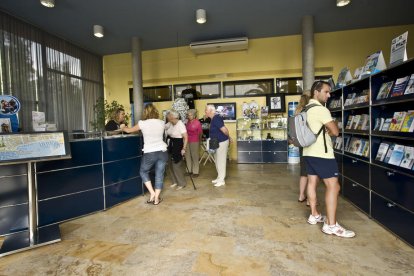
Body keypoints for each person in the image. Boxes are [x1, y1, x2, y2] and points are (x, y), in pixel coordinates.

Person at [303, 80, 355, 238]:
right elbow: (335, 131)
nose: (329, 95)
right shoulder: (321, 110)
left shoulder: (306, 109)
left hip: (308, 152)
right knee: (334, 187)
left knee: (312, 182)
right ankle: (331, 225)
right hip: (322, 154)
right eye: (326, 92)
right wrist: (330, 129)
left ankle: (314, 215)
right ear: (316, 92)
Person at [121, 104, 167, 205]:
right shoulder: (162, 122)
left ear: (145, 112)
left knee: (143, 172)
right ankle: (156, 199)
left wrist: (123, 127)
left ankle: (152, 194)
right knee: (159, 175)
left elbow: (128, 130)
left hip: (150, 152)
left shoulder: (142, 123)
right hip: (163, 151)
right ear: (155, 111)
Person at [205, 104, 230, 187]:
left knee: (221, 161)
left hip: (221, 142)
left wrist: (228, 137)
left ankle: (222, 180)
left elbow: (225, 130)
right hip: (215, 142)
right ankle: (219, 177)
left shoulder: (216, 118)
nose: (205, 111)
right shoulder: (212, 119)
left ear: (211, 111)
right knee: (217, 161)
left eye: (206, 110)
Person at [165, 110, 188, 190]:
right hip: (171, 144)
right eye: (169, 119)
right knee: (170, 164)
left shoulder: (180, 124)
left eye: (170, 118)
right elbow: (164, 127)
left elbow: (186, 137)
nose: (169, 120)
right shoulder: (170, 123)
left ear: (175, 118)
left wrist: (184, 148)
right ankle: (174, 181)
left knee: (176, 165)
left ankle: (181, 183)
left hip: (178, 145)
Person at [295, 93, 311, 204]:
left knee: (303, 172)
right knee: (312, 173)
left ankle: (301, 195)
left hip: (301, 144)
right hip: (310, 144)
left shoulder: (297, 112)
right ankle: (310, 200)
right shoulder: (309, 112)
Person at [185, 109, 202, 177]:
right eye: (188, 115)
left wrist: (199, 141)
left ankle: (195, 172)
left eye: (191, 115)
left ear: (194, 115)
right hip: (187, 140)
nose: (189, 116)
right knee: (187, 156)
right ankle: (189, 170)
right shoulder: (187, 122)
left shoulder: (197, 122)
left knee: (194, 156)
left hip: (195, 141)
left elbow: (200, 133)